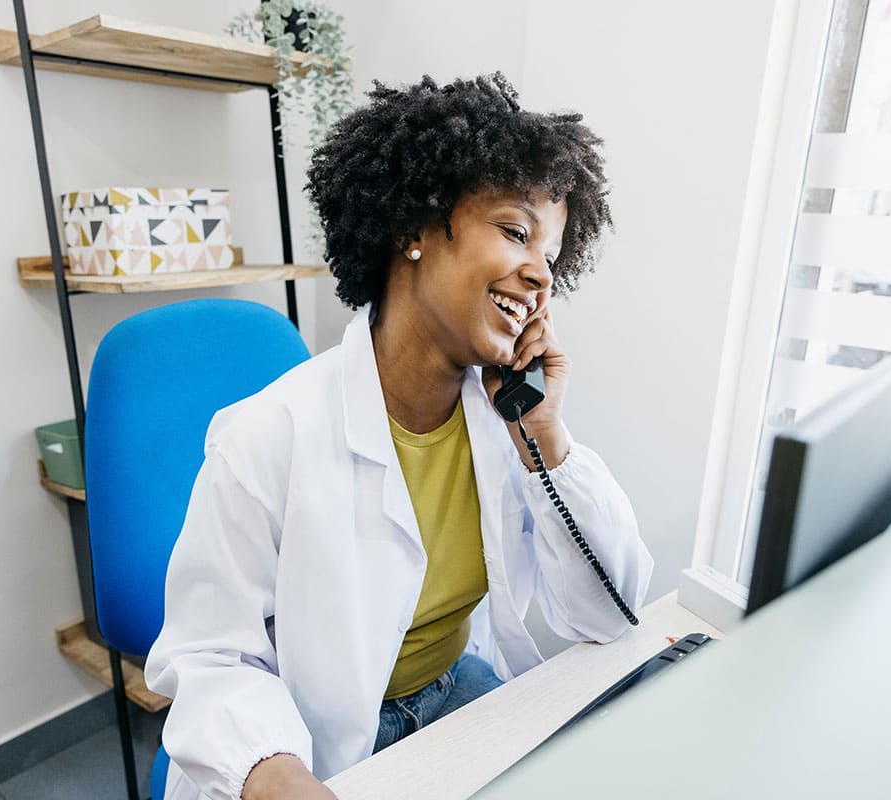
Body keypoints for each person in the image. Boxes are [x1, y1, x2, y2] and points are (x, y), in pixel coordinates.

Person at [145, 73, 654, 800]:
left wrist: (546, 438)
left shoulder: (505, 419)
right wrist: (277, 776)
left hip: (453, 692)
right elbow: (208, 658)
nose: (540, 273)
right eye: (516, 231)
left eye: (552, 253)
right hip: (310, 737)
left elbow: (610, 612)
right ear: (413, 229)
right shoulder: (266, 435)